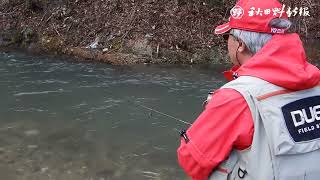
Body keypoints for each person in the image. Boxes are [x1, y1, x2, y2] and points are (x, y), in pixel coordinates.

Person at [177, 0, 320, 180]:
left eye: (227, 36)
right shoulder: (316, 82)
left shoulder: (234, 97)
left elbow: (192, 159)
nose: (226, 42)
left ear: (241, 45)